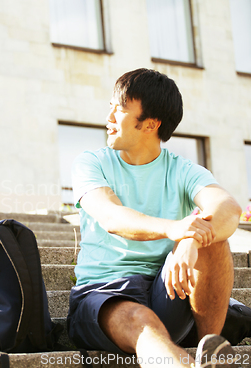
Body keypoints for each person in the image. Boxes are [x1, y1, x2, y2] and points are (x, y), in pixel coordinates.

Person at [68, 68, 242, 368]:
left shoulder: (183, 169)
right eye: (110, 106)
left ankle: (210, 348)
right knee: (141, 320)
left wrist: (193, 240)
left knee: (214, 239)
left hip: (168, 290)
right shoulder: (91, 162)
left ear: (150, 124)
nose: (108, 117)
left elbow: (228, 208)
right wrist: (177, 230)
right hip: (104, 295)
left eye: (119, 109)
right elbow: (111, 216)